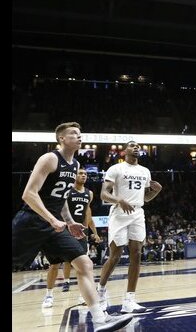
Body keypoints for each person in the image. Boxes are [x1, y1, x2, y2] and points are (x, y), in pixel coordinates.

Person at [12, 122, 132, 331]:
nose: (79, 136)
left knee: (84, 264)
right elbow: (28, 194)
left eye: (79, 134)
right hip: (31, 222)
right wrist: (52, 219)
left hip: (54, 226)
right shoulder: (50, 158)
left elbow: (63, 198)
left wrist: (68, 222)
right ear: (61, 139)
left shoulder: (75, 165)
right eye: (73, 134)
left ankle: (99, 320)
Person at [97, 141, 163, 313]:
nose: (136, 148)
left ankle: (129, 300)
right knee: (115, 256)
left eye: (138, 146)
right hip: (119, 212)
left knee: (137, 254)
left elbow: (146, 198)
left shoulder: (145, 171)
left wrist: (156, 191)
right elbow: (104, 194)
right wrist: (119, 199)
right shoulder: (116, 169)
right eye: (132, 145)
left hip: (137, 213)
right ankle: (101, 291)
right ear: (125, 151)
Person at [42, 167, 102, 307]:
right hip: (62, 230)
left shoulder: (90, 193)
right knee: (54, 264)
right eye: (80, 173)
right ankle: (49, 295)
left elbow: (88, 214)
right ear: (74, 176)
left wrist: (94, 231)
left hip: (80, 232)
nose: (83, 176)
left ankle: (83, 296)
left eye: (85, 174)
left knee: (83, 266)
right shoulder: (67, 191)